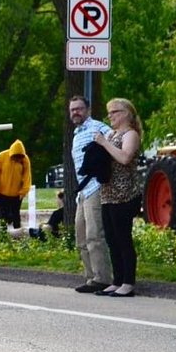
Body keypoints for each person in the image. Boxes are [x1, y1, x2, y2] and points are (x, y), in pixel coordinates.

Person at [92, 98, 143, 297]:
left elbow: (124, 157)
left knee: (123, 238)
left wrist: (104, 143)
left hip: (125, 194)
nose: (110, 116)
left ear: (126, 114)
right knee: (112, 239)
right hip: (108, 193)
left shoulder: (131, 134)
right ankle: (117, 279)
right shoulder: (112, 133)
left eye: (114, 112)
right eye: (109, 112)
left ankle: (128, 282)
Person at [68, 95, 113, 293]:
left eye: (79, 109)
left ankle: (103, 277)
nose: (75, 112)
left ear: (87, 109)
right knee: (81, 235)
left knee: (94, 234)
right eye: (72, 110)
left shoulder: (98, 127)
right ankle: (90, 277)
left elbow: (116, 140)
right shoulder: (77, 133)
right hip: (82, 191)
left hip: (95, 187)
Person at [0, 139, 32, 229]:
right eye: (16, 157)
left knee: (16, 215)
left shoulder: (25, 160)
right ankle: (2, 234)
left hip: (17, 195)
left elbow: (27, 177)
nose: (18, 159)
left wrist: (23, 192)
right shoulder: (2, 157)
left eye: (20, 157)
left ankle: (17, 234)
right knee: (2, 216)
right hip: (2, 193)